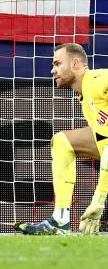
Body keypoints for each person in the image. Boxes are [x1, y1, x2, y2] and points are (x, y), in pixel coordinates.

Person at [16, 43, 108, 235]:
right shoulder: (86, 94)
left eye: (58, 64)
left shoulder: (97, 81)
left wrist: (98, 200)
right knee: (63, 142)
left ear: (75, 64)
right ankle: (60, 219)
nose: (52, 70)